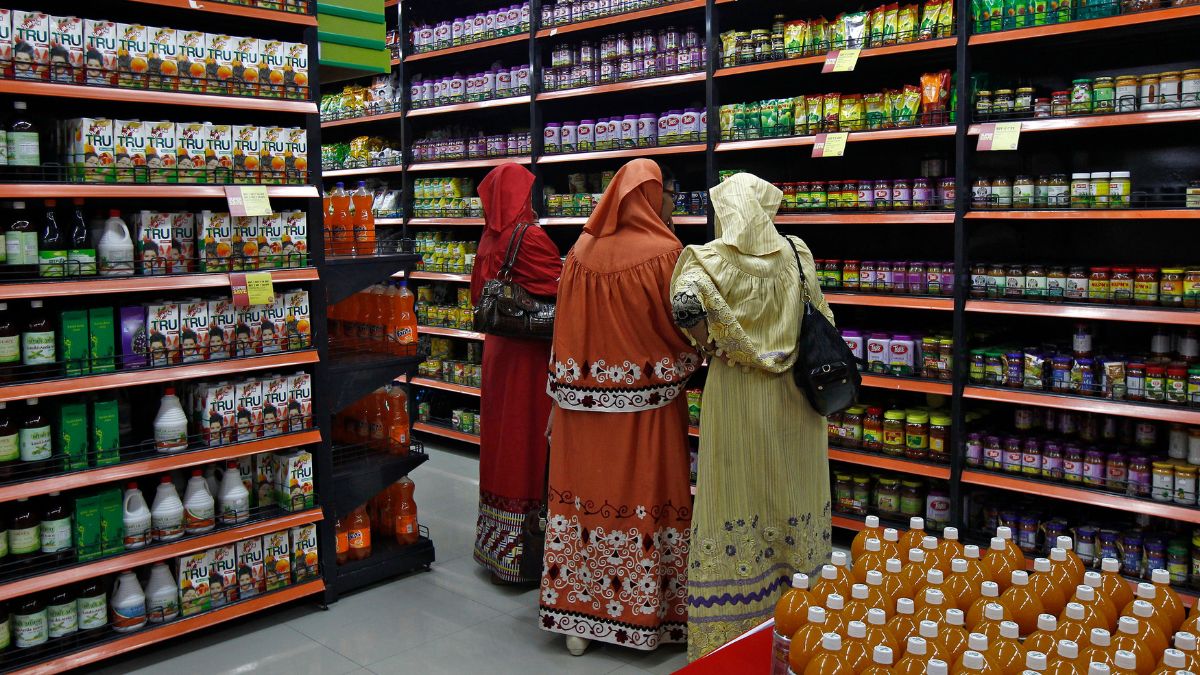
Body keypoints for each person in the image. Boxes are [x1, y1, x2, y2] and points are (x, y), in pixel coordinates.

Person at [669, 172, 834, 660]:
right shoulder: (798, 254)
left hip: (738, 397)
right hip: (799, 401)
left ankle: (732, 633)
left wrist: (713, 341)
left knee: (735, 494)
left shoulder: (707, 261)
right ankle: (798, 616)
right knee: (793, 489)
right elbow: (823, 319)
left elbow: (684, 310)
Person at [540, 159, 700, 655]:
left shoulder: (580, 251)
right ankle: (651, 617)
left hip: (578, 414)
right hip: (647, 415)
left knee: (582, 503)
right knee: (647, 502)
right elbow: (680, 332)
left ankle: (577, 623)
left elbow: (561, 329)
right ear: (650, 196)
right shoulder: (665, 253)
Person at [469, 163, 563, 585]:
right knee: (527, 447)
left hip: (498, 353)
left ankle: (496, 546)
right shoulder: (530, 237)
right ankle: (527, 553)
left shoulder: (490, 237)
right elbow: (562, 287)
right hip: (529, 357)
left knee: (500, 445)